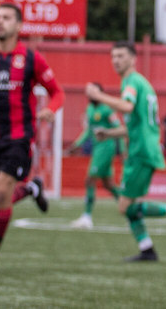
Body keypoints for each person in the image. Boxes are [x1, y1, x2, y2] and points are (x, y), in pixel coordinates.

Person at [0, 3, 64, 272]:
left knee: (1, 196)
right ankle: (32, 188)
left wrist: (51, 110)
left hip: (19, 138)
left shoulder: (31, 58)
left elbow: (57, 92)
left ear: (19, 26)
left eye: (6, 18)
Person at [86, 42, 166, 261]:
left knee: (124, 206)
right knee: (128, 206)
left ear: (133, 59)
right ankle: (147, 249)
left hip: (141, 151)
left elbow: (127, 107)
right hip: (142, 148)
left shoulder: (132, 82)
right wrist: (110, 134)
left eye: (121, 56)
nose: (116, 60)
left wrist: (98, 96)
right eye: (113, 56)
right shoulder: (139, 83)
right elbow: (134, 124)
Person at [67, 81, 123, 230]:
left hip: (106, 148)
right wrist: (76, 144)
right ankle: (130, 209)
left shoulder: (107, 110)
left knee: (89, 180)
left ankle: (86, 217)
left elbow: (120, 129)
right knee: (108, 185)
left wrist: (122, 151)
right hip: (97, 148)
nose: (89, 93)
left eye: (92, 90)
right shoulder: (90, 109)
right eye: (88, 91)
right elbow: (88, 131)